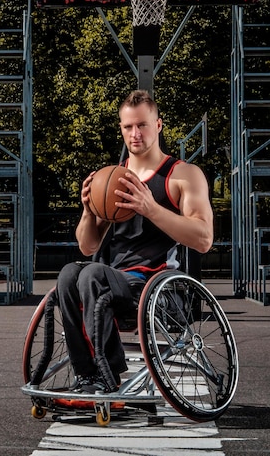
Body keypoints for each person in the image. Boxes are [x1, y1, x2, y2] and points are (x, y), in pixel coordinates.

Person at [57, 89, 214, 393]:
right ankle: (86, 375)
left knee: (91, 274)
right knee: (69, 275)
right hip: (112, 281)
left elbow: (204, 239)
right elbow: (87, 247)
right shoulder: (112, 179)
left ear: (158, 125)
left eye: (142, 125)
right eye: (128, 127)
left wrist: (150, 208)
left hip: (157, 286)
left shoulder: (182, 175)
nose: (135, 133)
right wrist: (89, 211)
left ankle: (108, 373)